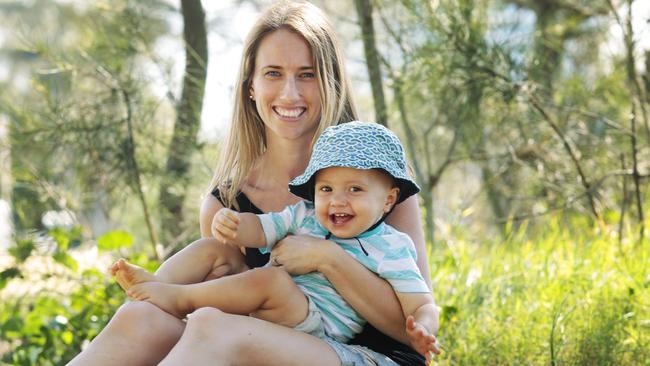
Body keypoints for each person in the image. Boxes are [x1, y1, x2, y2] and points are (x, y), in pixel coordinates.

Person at [67, 1, 437, 365]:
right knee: (140, 317)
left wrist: (326, 257)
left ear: (330, 83)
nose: (290, 94)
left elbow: (411, 329)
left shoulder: (378, 185)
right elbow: (246, 321)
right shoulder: (227, 201)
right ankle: (159, 291)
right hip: (265, 343)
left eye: (307, 74)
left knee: (212, 326)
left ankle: (173, 296)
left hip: (372, 356)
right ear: (251, 87)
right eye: (273, 73)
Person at [122, 122, 439, 357]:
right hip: (280, 309)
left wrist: (424, 328)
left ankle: (180, 299)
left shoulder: (392, 247)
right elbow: (261, 230)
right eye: (326, 189)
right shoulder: (306, 215)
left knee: (271, 280)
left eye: (355, 189)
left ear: (388, 200)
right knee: (211, 248)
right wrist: (232, 223)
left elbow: (421, 304)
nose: (337, 201)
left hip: (319, 328)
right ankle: (156, 288)